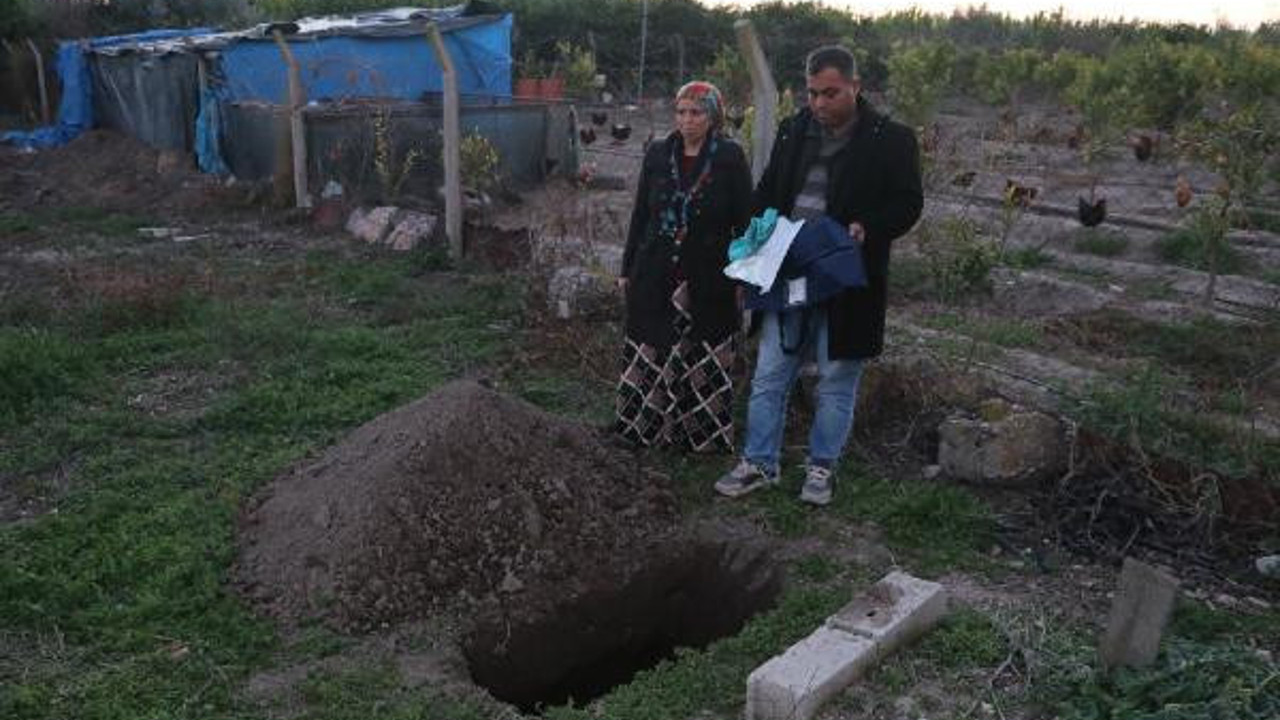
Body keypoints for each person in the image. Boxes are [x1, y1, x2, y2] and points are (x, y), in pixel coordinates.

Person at [715, 45, 924, 505]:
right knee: (771, 372)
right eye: (812, 93)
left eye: (831, 93)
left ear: (855, 86)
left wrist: (868, 226)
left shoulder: (890, 140)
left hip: (848, 282)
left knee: (835, 378)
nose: (820, 103)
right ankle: (759, 463)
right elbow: (768, 193)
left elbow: (908, 204)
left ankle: (821, 469)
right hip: (787, 273)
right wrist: (751, 254)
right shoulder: (794, 132)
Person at [614, 81, 753, 452]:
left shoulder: (729, 158)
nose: (687, 120)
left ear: (713, 117)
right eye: (681, 112)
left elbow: (745, 222)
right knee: (650, 346)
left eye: (696, 112)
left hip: (709, 278)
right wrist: (627, 269)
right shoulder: (658, 154)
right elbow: (641, 216)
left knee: (702, 352)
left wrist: (744, 275)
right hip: (656, 273)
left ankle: (698, 438)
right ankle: (644, 430)